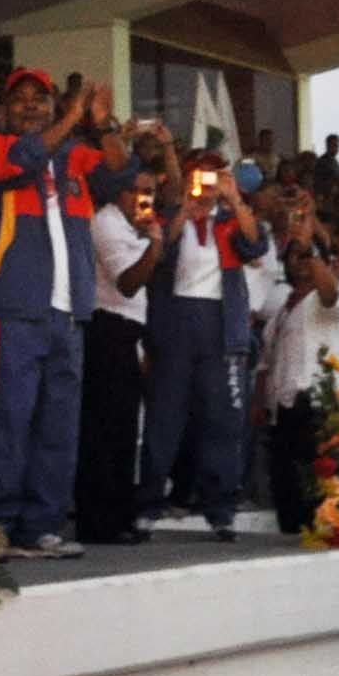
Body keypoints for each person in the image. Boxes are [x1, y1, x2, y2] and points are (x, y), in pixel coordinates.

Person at [0, 69, 103, 558]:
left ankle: (40, 525)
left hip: (67, 313)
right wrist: (72, 116)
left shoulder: (72, 161)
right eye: (19, 99)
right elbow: (23, 159)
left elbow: (121, 173)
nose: (30, 106)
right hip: (12, 306)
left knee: (58, 424)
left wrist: (102, 126)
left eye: (40, 100)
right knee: (9, 418)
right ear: (4, 110)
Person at [137, 146, 267, 543]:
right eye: (200, 174)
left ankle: (221, 509)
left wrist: (235, 200)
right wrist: (183, 214)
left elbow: (256, 246)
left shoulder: (230, 220)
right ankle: (147, 505)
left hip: (220, 327)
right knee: (164, 419)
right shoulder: (165, 215)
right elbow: (159, 258)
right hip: (175, 325)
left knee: (223, 422)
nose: (206, 184)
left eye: (215, 175)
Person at [78, 140, 163, 546]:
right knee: (107, 429)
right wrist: (156, 245)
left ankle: (119, 514)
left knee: (127, 427)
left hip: (128, 331)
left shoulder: (129, 226)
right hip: (108, 328)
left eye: (149, 192)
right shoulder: (107, 222)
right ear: (120, 191)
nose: (143, 199)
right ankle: (101, 519)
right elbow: (128, 283)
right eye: (137, 191)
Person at [259, 241, 339, 534]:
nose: (300, 261)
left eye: (308, 256)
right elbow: (266, 363)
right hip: (284, 405)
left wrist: (313, 253)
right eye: (294, 256)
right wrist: (260, 403)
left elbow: (330, 292)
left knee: (322, 480)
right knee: (285, 480)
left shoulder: (328, 299)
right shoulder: (279, 313)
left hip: (322, 401)